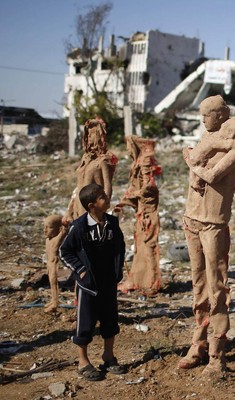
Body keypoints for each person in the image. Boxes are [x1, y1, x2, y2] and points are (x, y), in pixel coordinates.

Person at [178, 95, 235, 379]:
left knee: (216, 287)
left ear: (221, 115)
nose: (203, 120)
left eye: (207, 115)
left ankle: (217, 352)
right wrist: (197, 153)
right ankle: (199, 341)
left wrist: (190, 158)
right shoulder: (208, 137)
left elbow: (211, 175)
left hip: (213, 223)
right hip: (192, 218)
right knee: (198, 286)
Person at [59, 183, 126, 381]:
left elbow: (119, 246)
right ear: (92, 205)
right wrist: (80, 270)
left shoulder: (112, 223)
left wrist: (118, 269)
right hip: (88, 284)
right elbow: (65, 251)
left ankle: (108, 355)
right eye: (102, 197)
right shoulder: (79, 227)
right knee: (85, 323)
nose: (107, 198)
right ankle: (83, 361)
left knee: (110, 320)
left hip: (108, 281)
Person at [114, 135, 161, 295]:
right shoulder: (138, 162)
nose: (127, 150)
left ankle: (151, 282)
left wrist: (134, 194)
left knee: (148, 245)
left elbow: (150, 188)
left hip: (148, 211)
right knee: (140, 246)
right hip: (141, 210)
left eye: (129, 146)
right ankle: (140, 280)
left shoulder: (145, 162)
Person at [62, 117, 118, 225]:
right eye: (87, 134)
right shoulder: (85, 159)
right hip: (78, 205)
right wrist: (68, 211)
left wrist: (103, 206)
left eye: (91, 134)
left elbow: (107, 185)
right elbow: (77, 189)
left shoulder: (103, 161)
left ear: (99, 135)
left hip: (92, 208)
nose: (88, 137)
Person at [43, 215, 67, 313]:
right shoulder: (47, 240)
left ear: (59, 228)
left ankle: (55, 303)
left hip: (54, 265)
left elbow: (65, 230)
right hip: (49, 266)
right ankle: (53, 300)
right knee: (51, 284)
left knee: (54, 284)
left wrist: (66, 221)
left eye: (49, 227)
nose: (45, 230)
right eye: (44, 227)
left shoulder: (57, 239)